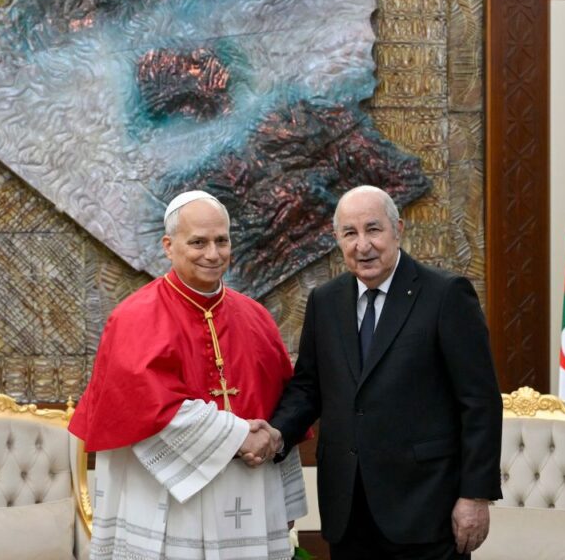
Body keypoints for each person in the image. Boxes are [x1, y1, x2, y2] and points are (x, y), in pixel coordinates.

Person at [266, 185, 502, 559]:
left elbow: (480, 402)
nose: (363, 245)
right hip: (348, 510)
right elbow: (309, 388)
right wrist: (275, 435)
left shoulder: (446, 295)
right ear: (337, 240)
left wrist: (474, 495)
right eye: (350, 233)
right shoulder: (325, 301)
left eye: (373, 229)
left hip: (425, 509)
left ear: (398, 230)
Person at [69, 190, 306, 560]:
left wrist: (273, 447)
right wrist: (240, 435)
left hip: (248, 492)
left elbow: (280, 401)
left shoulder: (256, 317)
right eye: (198, 242)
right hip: (171, 500)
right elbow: (151, 408)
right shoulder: (135, 317)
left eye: (221, 241)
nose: (213, 254)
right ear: (168, 245)